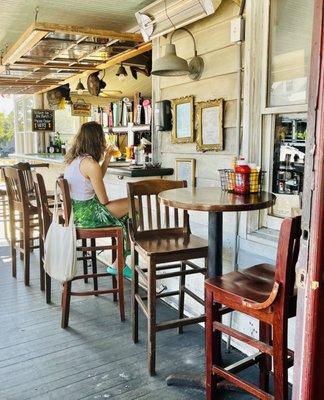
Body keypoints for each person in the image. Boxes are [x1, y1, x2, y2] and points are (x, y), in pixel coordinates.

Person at [64, 121, 131, 278]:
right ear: (97, 140)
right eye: (102, 138)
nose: (104, 142)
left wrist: (106, 159)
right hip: (89, 216)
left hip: (77, 215)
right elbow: (103, 201)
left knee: (127, 216)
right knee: (134, 204)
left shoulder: (75, 161)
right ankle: (120, 262)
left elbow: (94, 177)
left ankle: (120, 262)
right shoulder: (91, 164)